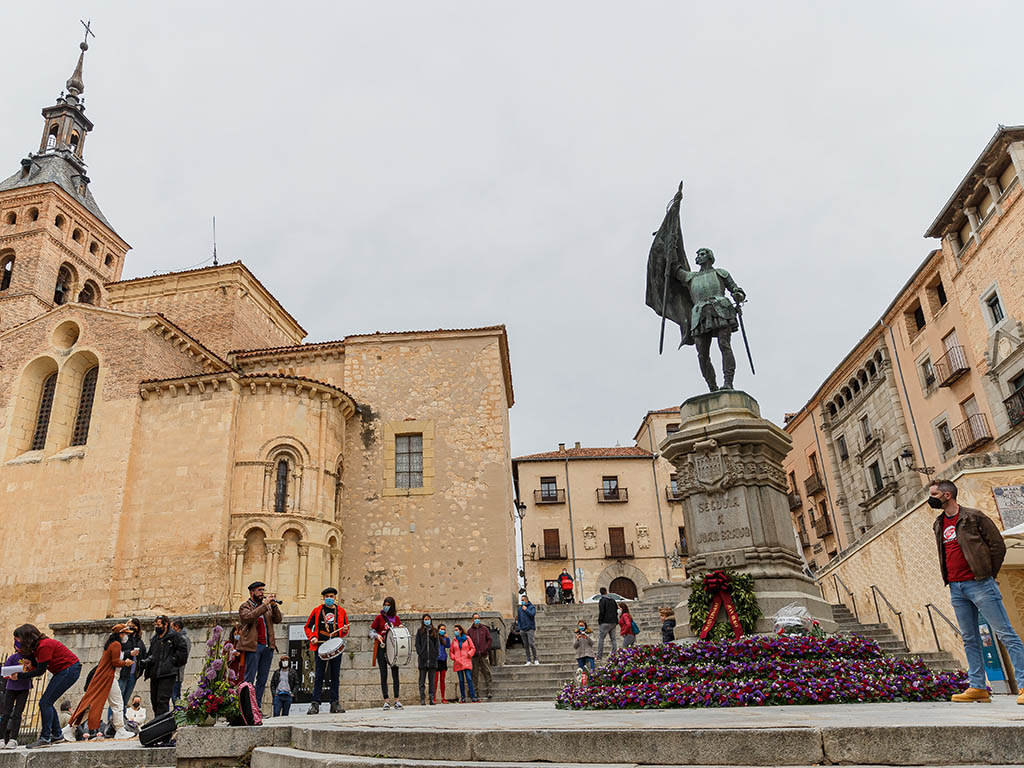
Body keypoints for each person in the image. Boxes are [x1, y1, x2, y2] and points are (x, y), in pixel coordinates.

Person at [929, 479, 1024, 704]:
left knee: (1006, 634)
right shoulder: (939, 523)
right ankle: (978, 687)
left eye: (933, 494)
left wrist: (987, 574)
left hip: (980, 583)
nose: (930, 498)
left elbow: (997, 546)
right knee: (970, 639)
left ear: (946, 495)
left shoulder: (973, 516)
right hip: (956, 587)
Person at [11, 624, 81, 748]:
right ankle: (57, 735)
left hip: (69, 669)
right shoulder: (37, 647)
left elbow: (40, 671)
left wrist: (20, 676)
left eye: (18, 638)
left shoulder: (45, 645)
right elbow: (36, 663)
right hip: (63, 671)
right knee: (47, 702)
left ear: (26, 637)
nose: (17, 641)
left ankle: (45, 737)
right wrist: (29, 663)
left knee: (45, 702)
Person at [69, 624, 133, 740]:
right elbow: (115, 662)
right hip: (109, 678)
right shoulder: (116, 645)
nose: (126, 636)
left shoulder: (110, 644)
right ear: (120, 634)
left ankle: (70, 728)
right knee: (117, 703)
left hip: (104, 677)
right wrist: (126, 662)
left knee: (90, 705)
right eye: (125, 634)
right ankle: (120, 730)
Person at [238, 581, 282, 711]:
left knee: (262, 680)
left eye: (263, 590)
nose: (262, 593)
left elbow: (278, 620)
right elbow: (249, 617)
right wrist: (265, 605)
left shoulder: (267, 607)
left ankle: (256, 707)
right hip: (254, 647)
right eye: (259, 590)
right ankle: (247, 708)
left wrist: (274, 607)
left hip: (267, 647)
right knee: (249, 679)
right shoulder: (245, 606)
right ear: (252, 592)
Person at [303, 587, 348, 714]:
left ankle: (334, 703)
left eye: (332, 596)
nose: (329, 598)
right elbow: (307, 627)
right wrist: (312, 637)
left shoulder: (341, 611)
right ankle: (315, 703)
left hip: (335, 646)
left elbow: (345, 628)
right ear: (323, 598)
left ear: (335, 598)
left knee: (335, 675)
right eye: (327, 596)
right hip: (320, 646)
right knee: (319, 675)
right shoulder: (317, 611)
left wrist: (344, 630)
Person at [141, 615, 188, 717]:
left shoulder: (175, 637)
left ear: (165, 624)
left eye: (158, 625)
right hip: (155, 674)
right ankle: (157, 723)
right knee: (154, 701)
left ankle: (162, 727)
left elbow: (183, 653)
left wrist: (172, 661)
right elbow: (151, 653)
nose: (156, 627)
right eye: (155, 625)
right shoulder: (155, 639)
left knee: (162, 701)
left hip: (168, 674)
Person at [370, 596, 403, 710]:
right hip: (382, 647)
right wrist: (377, 636)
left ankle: (397, 700)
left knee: (395, 674)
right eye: (385, 604)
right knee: (383, 674)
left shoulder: (396, 619)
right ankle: (386, 700)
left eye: (389, 605)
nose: (386, 606)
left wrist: (401, 628)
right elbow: (371, 631)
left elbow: (400, 633)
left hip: (394, 649)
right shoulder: (379, 618)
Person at [1, 647, 31, 748]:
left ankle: (13, 739)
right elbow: (4, 671)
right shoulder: (12, 658)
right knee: (5, 714)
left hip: (23, 687)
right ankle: (1, 738)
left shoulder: (30, 657)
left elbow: (34, 669)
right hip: (11, 687)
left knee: (17, 714)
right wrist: (10, 675)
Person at [117, 619, 145, 715]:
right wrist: (130, 653)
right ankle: (112, 722)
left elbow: (143, 657)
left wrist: (139, 672)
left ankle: (122, 720)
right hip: (123, 673)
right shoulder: (123, 640)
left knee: (125, 701)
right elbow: (118, 654)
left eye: (134, 625)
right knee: (117, 700)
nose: (132, 627)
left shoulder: (139, 642)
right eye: (130, 625)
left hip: (133, 675)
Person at [449, 625, 478, 703]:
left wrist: (469, 654)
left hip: (466, 661)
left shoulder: (467, 638)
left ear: (460, 630)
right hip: (458, 662)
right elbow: (451, 651)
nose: (455, 631)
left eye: (456, 630)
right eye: (454, 630)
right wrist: (453, 657)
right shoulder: (454, 640)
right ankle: (463, 697)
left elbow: (473, 648)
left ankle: (473, 696)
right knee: (461, 680)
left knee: (469, 678)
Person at [414, 614, 439, 705]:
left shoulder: (434, 631)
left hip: (432, 660)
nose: (427, 621)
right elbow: (417, 644)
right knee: (422, 681)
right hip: (423, 660)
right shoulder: (420, 631)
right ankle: (422, 698)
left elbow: (437, 645)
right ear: (423, 620)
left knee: (432, 681)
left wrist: (435, 654)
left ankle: (432, 698)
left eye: (428, 619)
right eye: (425, 619)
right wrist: (420, 653)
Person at [467, 613, 493, 700]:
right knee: (474, 674)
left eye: (478, 618)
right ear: (472, 620)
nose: (477, 619)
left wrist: (485, 648)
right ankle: (475, 691)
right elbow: (467, 642)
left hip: (483, 654)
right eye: (475, 618)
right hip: (474, 656)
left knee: (487, 672)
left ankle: (489, 690)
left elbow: (489, 639)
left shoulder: (484, 629)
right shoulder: (470, 631)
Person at [170, 618, 190, 705]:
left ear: (176, 627)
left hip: (177, 672)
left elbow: (183, 656)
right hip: (175, 671)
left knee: (175, 697)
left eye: (171, 627)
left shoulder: (182, 639)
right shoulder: (183, 638)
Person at [595, 588, 619, 660]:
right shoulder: (612, 600)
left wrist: (600, 621)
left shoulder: (602, 600)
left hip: (605, 622)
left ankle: (599, 656)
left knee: (601, 639)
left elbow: (601, 611)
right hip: (613, 622)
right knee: (613, 639)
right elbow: (616, 610)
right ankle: (614, 654)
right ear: (606, 592)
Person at [517, 595, 539, 665]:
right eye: (521, 600)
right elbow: (519, 619)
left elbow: (532, 614)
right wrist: (520, 627)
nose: (522, 601)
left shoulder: (531, 607)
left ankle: (535, 659)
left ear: (526, 600)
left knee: (531, 643)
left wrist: (526, 609)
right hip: (523, 629)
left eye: (523, 600)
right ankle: (528, 660)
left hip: (530, 628)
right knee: (526, 645)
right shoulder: (519, 609)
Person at [435, 624, 451, 704]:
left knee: (442, 679)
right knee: (435, 680)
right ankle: (433, 697)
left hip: (443, 660)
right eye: (441, 629)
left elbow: (448, 646)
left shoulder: (445, 638)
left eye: (444, 629)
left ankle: (443, 697)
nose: (443, 630)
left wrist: (447, 638)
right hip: (436, 660)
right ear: (438, 630)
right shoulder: (435, 637)